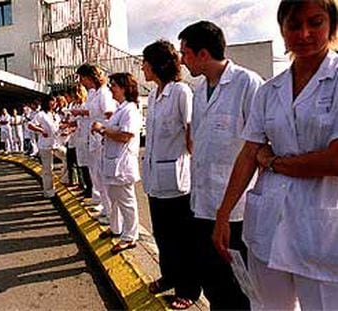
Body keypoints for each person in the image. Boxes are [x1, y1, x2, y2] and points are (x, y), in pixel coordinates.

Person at [213, 0, 338, 309]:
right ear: (282, 29)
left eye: (316, 22)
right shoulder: (270, 90)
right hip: (269, 224)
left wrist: (272, 162)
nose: (304, 33)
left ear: (332, 27)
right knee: (268, 307)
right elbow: (248, 153)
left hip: (322, 232)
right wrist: (223, 213)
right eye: (294, 25)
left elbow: (334, 161)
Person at [177, 21, 263, 310]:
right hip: (203, 203)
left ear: (202, 54)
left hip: (236, 209)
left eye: (185, 53)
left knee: (239, 284)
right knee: (213, 278)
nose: (182, 60)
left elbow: (259, 147)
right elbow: (199, 144)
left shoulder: (247, 83)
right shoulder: (200, 91)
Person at [141, 40, 193, 309]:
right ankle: (169, 276)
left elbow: (191, 133)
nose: (142, 67)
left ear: (157, 64)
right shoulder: (152, 95)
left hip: (176, 179)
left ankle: (187, 289)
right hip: (155, 178)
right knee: (162, 235)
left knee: (181, 239)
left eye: (145, 62)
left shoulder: (180, 92)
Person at [93, 73, 142, 254]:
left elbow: (125, 136)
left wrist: (103, 129)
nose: (111, 88)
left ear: (123, 88)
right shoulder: (120, 109)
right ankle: (116, 228)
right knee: (114, 199)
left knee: (127, 202)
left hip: (122, 165)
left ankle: (130, 236)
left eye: (113, 85)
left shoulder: (130, 110)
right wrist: (103, 130)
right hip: (112, 163)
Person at [75, 64, 116, 225]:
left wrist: (102, 130)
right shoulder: (94, 93)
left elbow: (109, 114)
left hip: (100, 139)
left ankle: (110, 212)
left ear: (89, 77)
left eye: (82, 78)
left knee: (102, 175)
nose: (81, 82)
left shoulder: (104, 93)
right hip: (93, 138)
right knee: (97, 175)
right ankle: (106, 209)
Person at [28, 96, 59, 198]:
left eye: (55, 101)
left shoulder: (55, 115)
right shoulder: (41, 114)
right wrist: (41, 131)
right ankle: (48, 191)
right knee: (48, 168)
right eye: (52, 101)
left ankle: (64, 179)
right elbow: (30, 125)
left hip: (57, 143)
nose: (54, 103)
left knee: (67, 157)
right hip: (45, 145)